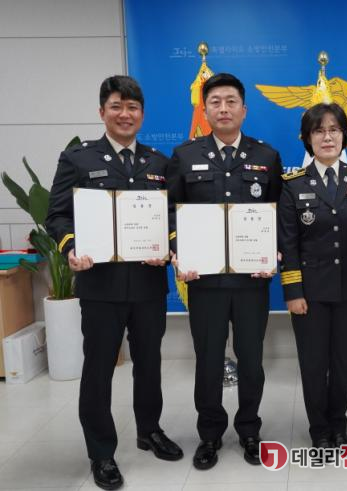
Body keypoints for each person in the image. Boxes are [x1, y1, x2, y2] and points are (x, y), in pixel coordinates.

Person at [46, 75, 183, 490]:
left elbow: (172, 215)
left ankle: (149, 430)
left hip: (148, 284)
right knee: (99, 368)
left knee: (150, 364)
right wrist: (71, 247)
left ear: (142, 114)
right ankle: (101, 452)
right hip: (100, 285)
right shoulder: (78, 158)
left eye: (133, 107)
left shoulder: (158, 163)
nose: (125, 114)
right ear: (102, 111)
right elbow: (57, 215)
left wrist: (169, 246)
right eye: (117, 106)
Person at [167, 73, 283, 469]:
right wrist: (179, 250)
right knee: (208, 361)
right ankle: (210, 434)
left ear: (244, 109)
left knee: (251, 360)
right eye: (215, 102)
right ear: (205, 110)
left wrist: (274, 252)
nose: (223, 108)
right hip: (205, 282)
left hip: (252, 282)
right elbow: (171, 212)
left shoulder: (266, 156)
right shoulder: (185, 156)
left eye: (231, 101)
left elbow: (277, 213)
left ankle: (249, 429)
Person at [278, 102, 347, 448]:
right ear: (307, 139)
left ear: (344, 136)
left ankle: (339, 424)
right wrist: (293, 292)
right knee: (313, 364)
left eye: (334, 130)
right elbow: (288, 244)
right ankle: (319, 430)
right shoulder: (292, 185)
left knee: (344, 363)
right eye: (319, 131)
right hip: (310, 292)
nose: (327, 137)